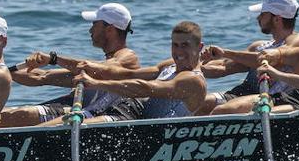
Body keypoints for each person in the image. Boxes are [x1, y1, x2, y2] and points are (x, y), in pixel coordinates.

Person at [0, 3, 141, 127]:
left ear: (109, 29)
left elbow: (104, 69)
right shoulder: (96, 68)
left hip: (99, 117)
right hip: (79, 109)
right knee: (2, 117)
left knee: (21, 122)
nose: (90, 30)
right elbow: (42, 76)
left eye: (94, 24)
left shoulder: (128, 58)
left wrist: (53, 59)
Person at [73, 20, 210, 121]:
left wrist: (94, 83)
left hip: (140, 127)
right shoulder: (170, 65)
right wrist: (95, 67)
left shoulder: (193, 80)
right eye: (175, 45)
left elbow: (145, 88)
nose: (179, 51)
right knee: (67, 119)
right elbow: (130, 74)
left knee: (82, 122)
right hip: (129, 109)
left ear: (199, 47)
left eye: (185, 45)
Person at [205, 0, 299, 114]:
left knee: (222, 111)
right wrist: (196, 64)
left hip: (274, 99)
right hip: (243, 93)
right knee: (202, 103)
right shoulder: (259, 46)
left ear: (276, 19)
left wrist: (225, 53)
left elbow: (271, 58)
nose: (258, 18)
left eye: (262, 14)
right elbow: (224, 66)